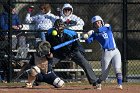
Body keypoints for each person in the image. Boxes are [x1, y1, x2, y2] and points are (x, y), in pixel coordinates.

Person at [45, 19, 100, 89]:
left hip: (72, 51)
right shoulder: (50, 33)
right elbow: (48, 44)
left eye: (60, 26)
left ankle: (95, 82)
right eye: (57, 27)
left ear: (64, 26)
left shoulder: (70, 33)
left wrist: (71, 55)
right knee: (47, 65)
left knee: (85, 64)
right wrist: (50, 52)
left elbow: (76, 46)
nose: (58, 28)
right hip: (58, 53)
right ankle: (54, 81)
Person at [85, 15, 123, 90]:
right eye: (95, 23)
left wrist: (93, 31)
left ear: (102, 22)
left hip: (115, 51)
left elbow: (101, 29)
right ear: (94, 25)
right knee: (104, 75)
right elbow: (88, 41)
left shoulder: (107, 27)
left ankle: (120, 84)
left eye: (98, 22)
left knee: (117, 69)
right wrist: (86, 37)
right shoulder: (94, 34)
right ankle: (98, 82)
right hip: (106, 53)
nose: (97, 24)